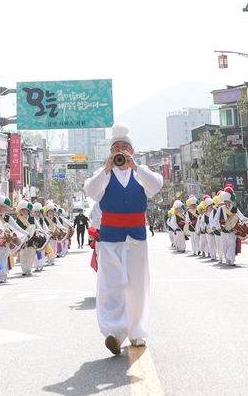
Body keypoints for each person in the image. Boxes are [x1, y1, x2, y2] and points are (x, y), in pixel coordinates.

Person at [83, 123, 163, 355]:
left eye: (125, 147)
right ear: (110, 152)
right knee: (111, 284)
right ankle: (113, 333)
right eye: (116, 147)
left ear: (133, 150)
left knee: (138, 285)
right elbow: (91, 191)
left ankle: (137, 333)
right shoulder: (103, 174)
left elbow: (157, 185)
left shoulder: (141, 173)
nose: (121, 151)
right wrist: (107, 169)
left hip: (136, 236)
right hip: (110, 237)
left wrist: (135, 166)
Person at [12, 200, 38, 276]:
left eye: (25, 210)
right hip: (22, 239)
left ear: (28, 211)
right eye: (22, 210)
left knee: (32, 254)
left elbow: (37, 227)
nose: (23, 212)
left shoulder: (33, 219)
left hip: (32, 239)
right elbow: (15, 229)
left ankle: (29, 268)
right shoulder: (18, 220)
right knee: (23, 254)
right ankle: (24, 269)